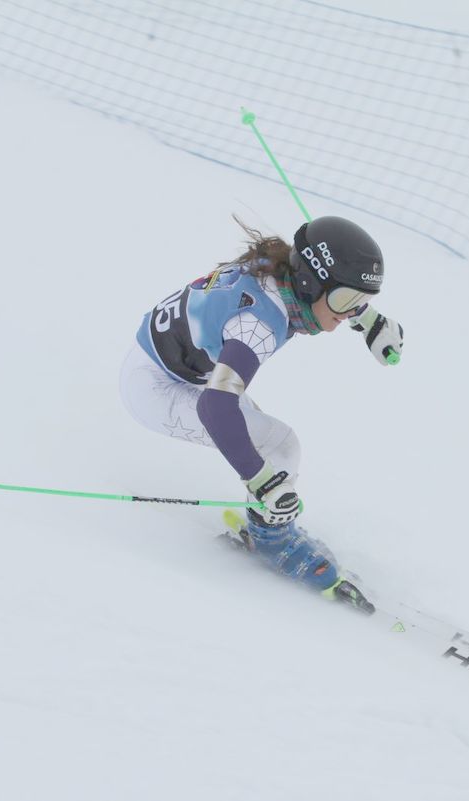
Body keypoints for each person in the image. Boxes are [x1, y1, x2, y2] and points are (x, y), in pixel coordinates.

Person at [119, 216, 404, 611]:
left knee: (263, 442)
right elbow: (214, 408)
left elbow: (327, 286)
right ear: (310, 284)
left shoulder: (283, 272)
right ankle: (273, 542)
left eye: (360, 300)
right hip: (157, 388)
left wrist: (369, 320)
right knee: (279, 446)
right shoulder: (257, 326)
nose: (346, 314)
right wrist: (263, 481)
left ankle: (265, 522)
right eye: (344, 302)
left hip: (178, 366)